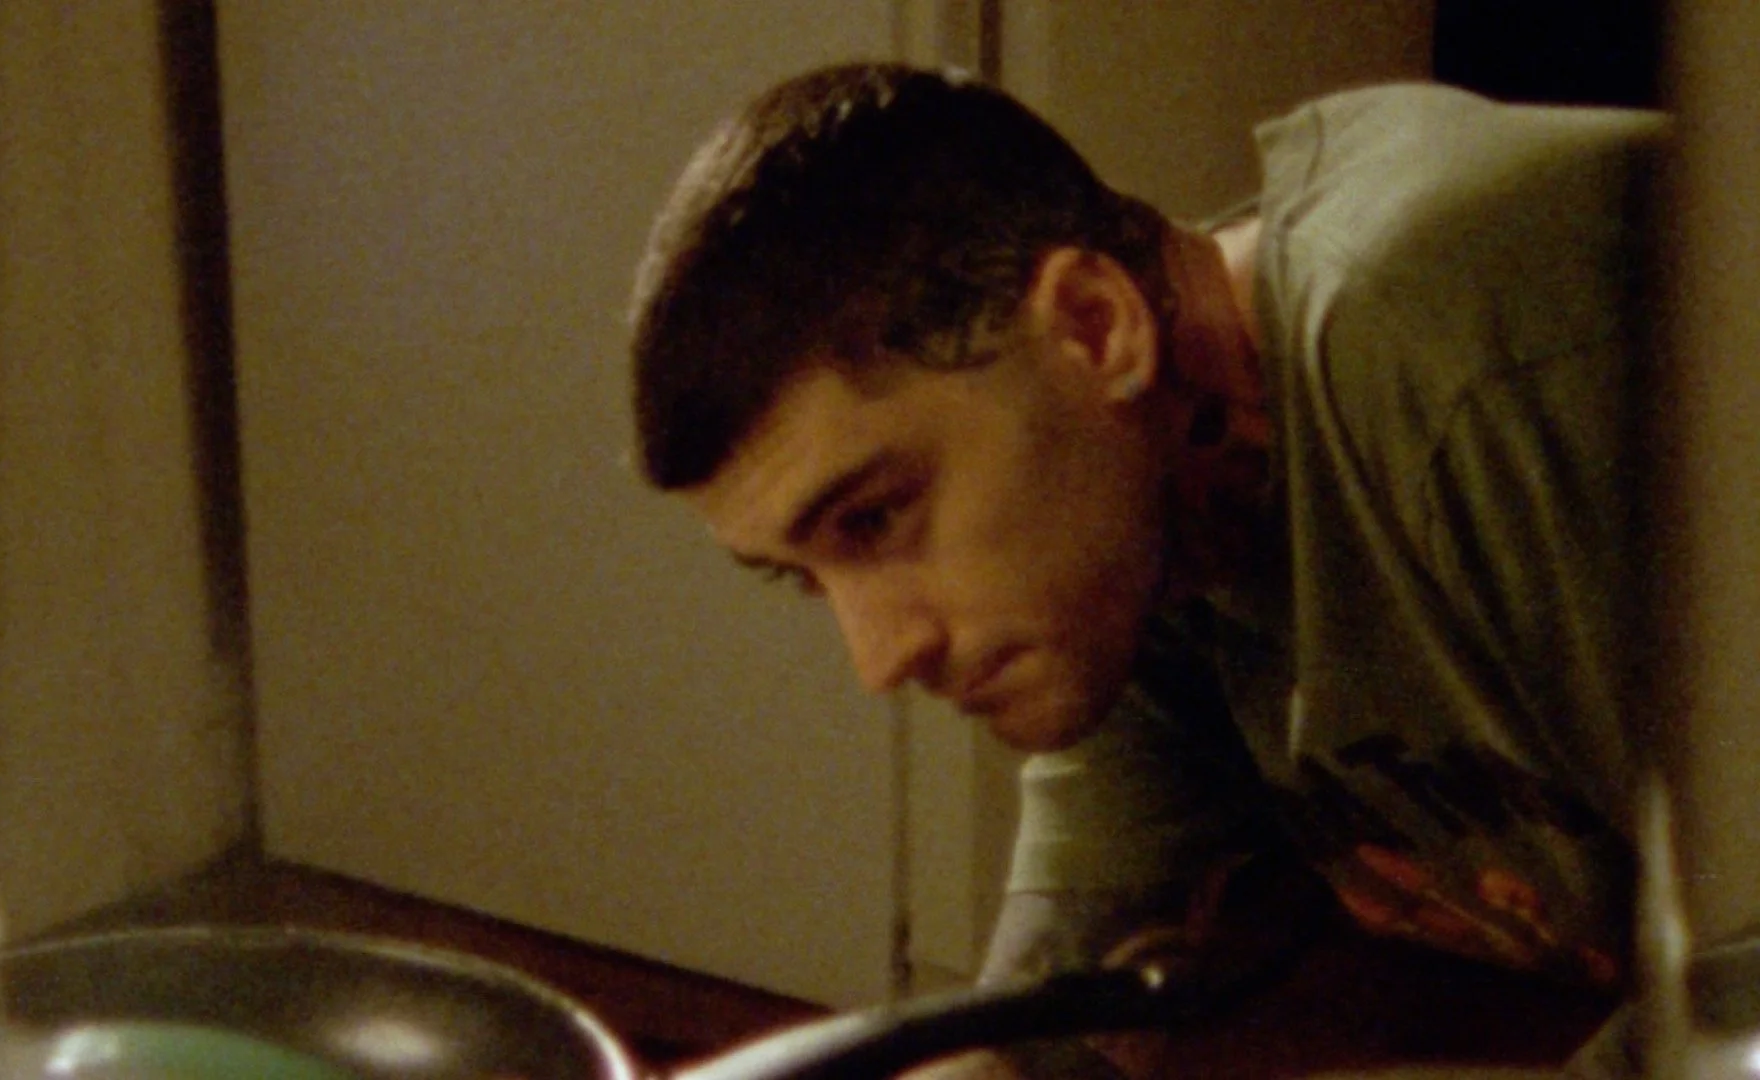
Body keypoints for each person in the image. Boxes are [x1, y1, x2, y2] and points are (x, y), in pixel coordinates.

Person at [626, 62, 1668, 1078]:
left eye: (875, 518)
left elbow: (1741, 985)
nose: (880, 658)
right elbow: (1058, 1018)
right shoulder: (1146, 532)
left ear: (1095, 326)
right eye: (806, 577)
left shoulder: (1461, 354)